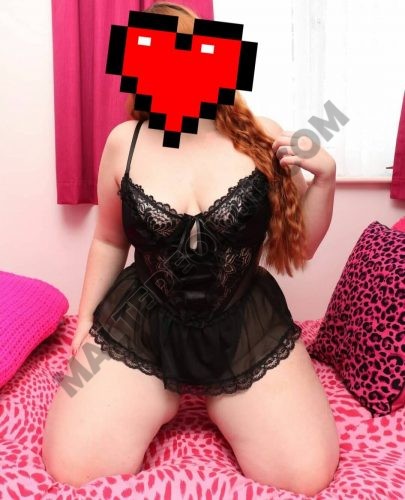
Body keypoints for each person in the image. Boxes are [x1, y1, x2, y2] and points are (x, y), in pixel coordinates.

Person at [42, 2, 340, 494]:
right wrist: (86, 321)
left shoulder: (263, 136)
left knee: (305, 476)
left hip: (242, 320)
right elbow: (109, 239)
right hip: (144, 319)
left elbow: (303, 246)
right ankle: (160, 391)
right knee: (72, 467)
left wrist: (325, 180)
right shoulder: (124, 142)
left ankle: (224, 396)